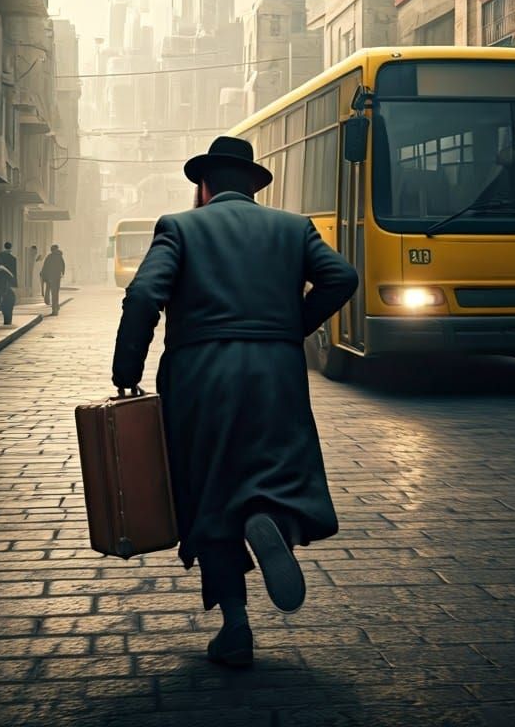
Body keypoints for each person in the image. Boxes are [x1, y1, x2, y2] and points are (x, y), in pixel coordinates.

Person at [111, 136, 358, 668]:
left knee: (209, 493)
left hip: (200, 380)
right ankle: (275, 525)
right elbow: (341, 277)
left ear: (204, 187)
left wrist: (126, 371)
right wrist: (289, 328)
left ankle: (235, 627)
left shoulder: (179, 227)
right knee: (278, 470)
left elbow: (144, 294)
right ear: (253, 187)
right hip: (276, 376)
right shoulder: (293, 228)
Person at [40, 244, 65, 316]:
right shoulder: (60, 257)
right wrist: (62, 273)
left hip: (50, 277)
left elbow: (45, 267)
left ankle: (54, 308)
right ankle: (55, 308)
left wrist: (43, 274)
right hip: (57, 277)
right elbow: (63, 266)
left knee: (53, 292)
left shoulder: (50, 257)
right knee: (55, 293)